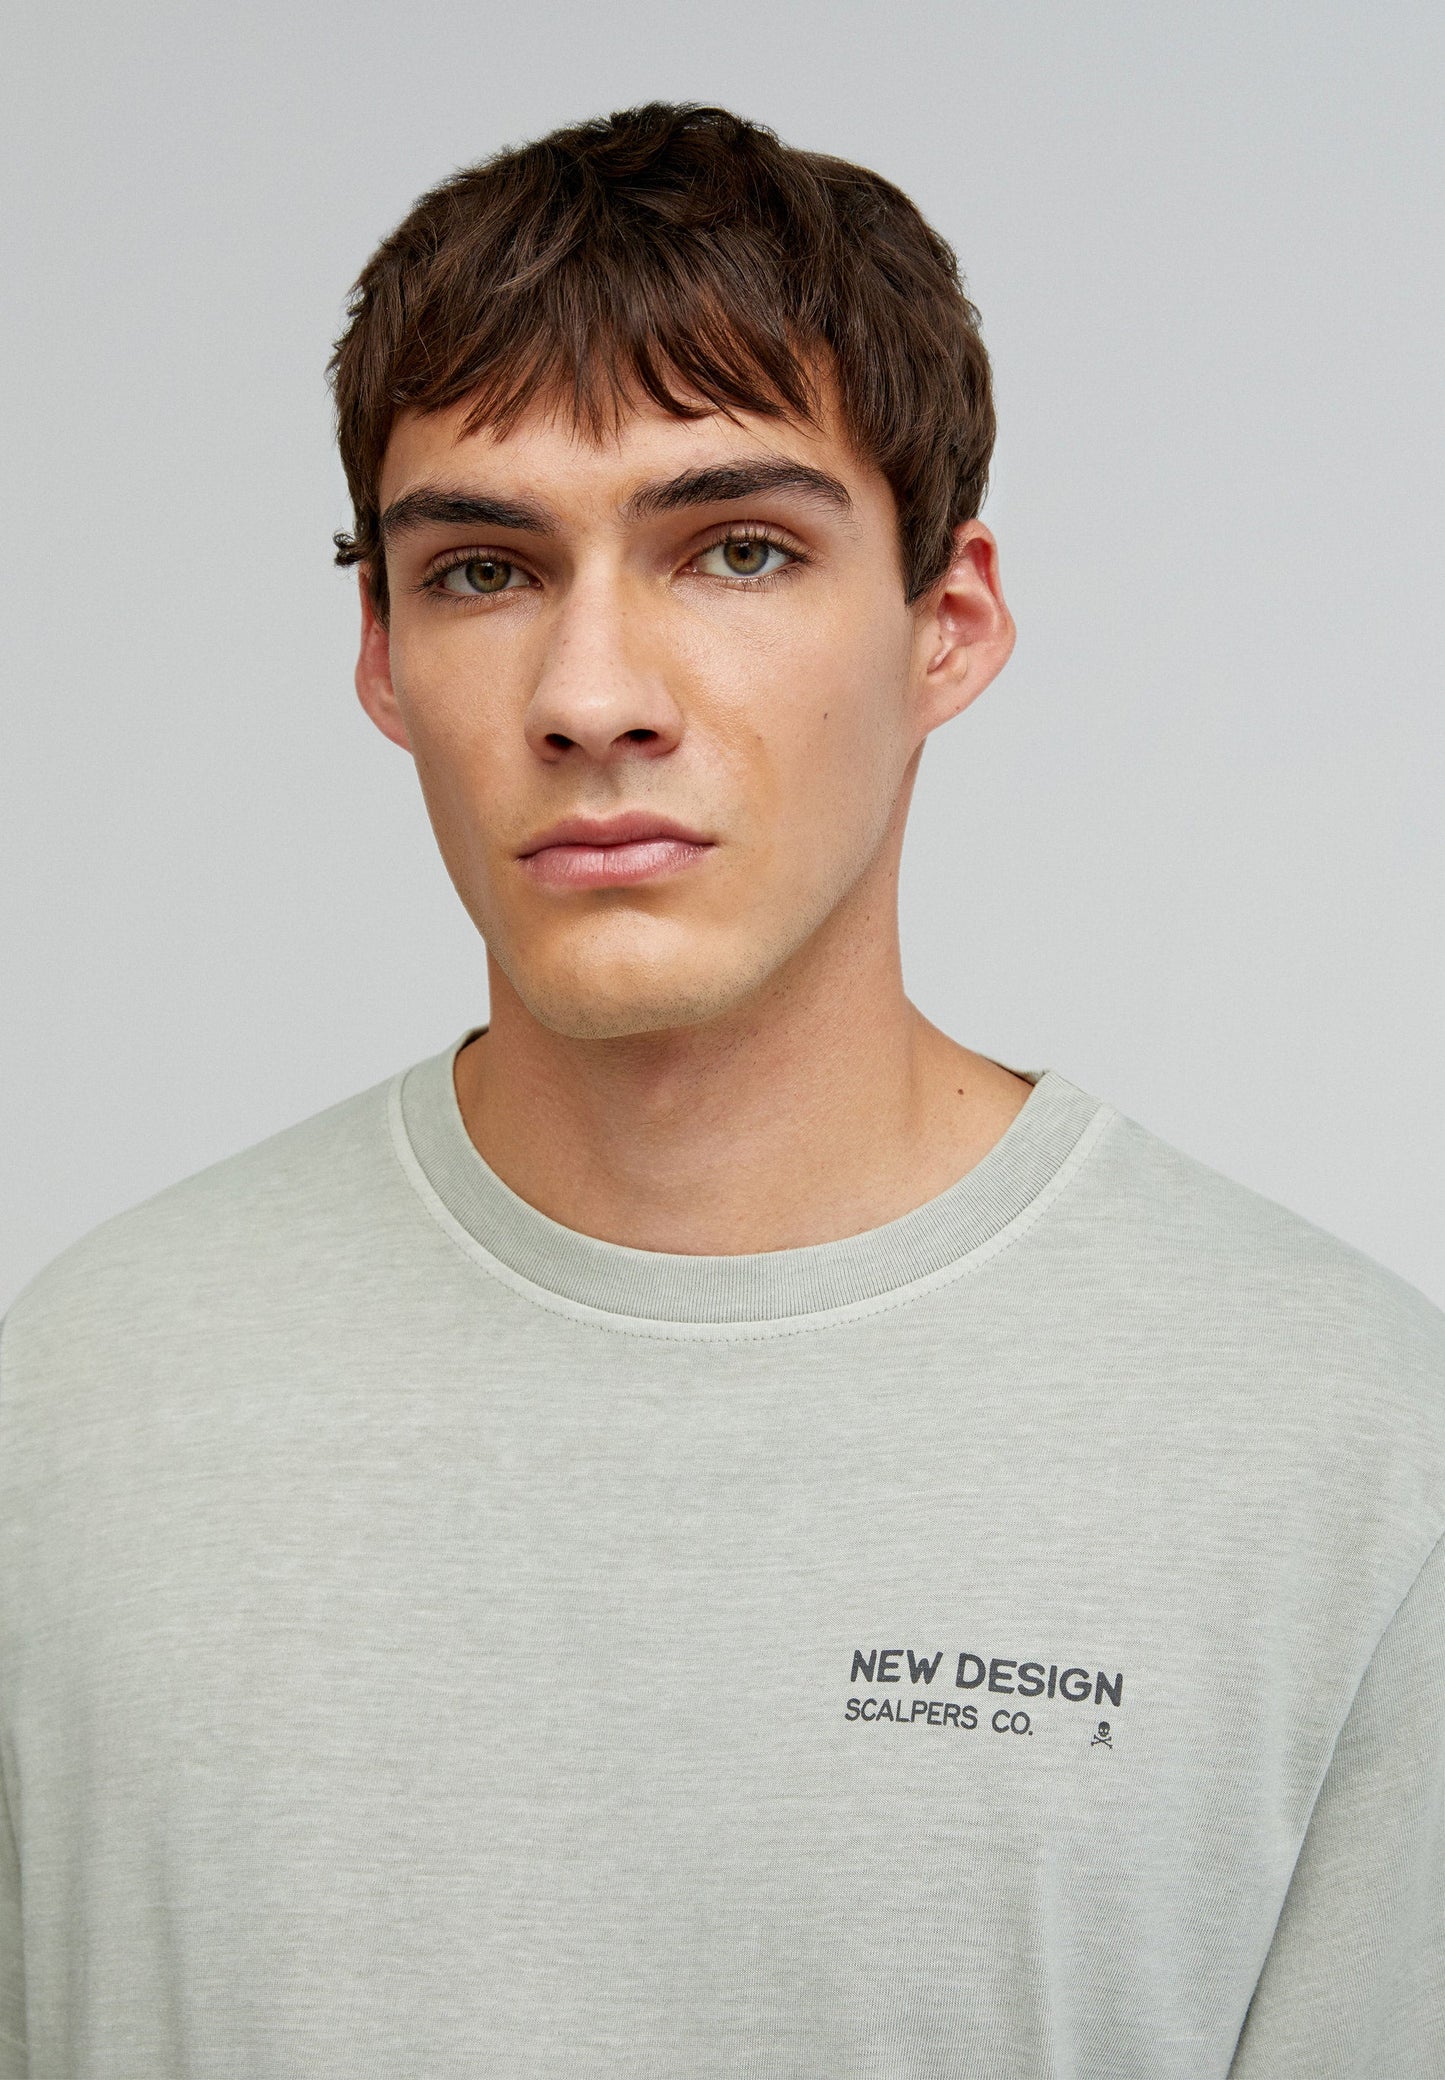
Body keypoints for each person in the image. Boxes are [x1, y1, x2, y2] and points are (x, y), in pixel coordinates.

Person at [1, 101, 1440, 2080]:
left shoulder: (1350, 1453)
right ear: (382, 657)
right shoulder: (77, 1406)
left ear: (948, 626)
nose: (593, 695)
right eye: (485, 569)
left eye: (737, 549)